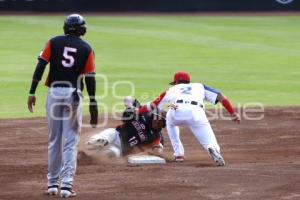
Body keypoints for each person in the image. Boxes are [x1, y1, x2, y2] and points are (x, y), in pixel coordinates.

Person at [27, 14, 98, 198]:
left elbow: (41, 66)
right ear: (82, 29)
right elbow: (90, 77)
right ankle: (66, 186)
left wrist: (32, 92)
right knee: (71, 141)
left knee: (54, 140)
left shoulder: (53, 42)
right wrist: (93, 101)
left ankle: (52, 184)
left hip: (54, 93)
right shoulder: (87, 48)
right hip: (73, 95)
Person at [138, 71, 240, 166]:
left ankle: (179, 154)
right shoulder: (200, 86)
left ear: (176, 82)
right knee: (209, 140)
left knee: (170, 122)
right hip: (196, 112)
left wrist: (137, 112)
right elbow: (220, 96)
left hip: (176, 111)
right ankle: (212, 148)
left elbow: (152, 105)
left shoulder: (171, 89)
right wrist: (232, 113)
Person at [86, 97, 165, 157]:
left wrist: (157, 149)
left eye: (161, 121)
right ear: (153, 116)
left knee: (112, 153)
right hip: (116, 134)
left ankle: (91, 156)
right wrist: (131, 108)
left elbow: (158, 148)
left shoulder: (156, 136)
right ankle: (92, 143)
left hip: (121, 150)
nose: (158, 121)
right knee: (105, 137)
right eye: (157, 118)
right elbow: (129, 98)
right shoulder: (142, 113)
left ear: (164, 125)